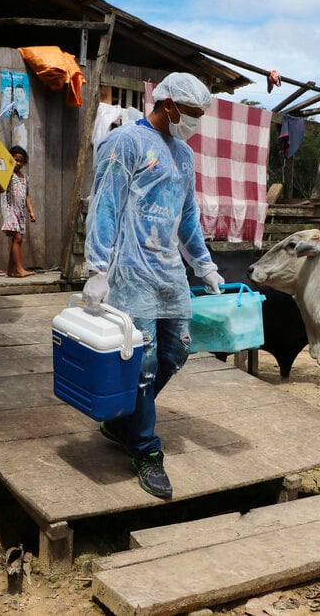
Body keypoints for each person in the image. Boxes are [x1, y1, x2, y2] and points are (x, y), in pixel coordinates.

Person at [82, 72, 224, 499]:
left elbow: (187, 217)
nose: (196, 122)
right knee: (142, 362)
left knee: (177, 351)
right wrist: (96, 268)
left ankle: (123, 419)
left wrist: (205, 265)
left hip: (168, 273)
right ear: (168, 105)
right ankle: (145, 449)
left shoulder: (183, 155)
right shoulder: (125, 142)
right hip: (129, 270)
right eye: (193, 114)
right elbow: (104, 203)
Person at [1, 145, 37, 277]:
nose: (18, 163)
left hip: (20, 211)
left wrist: (31, 211)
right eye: (15, 160)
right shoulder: (7, 174)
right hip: (10, 209)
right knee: (17, 238)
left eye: (21, 161)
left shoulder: (24, 177)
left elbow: (27, 196)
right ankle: (19, 269)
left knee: (17, 239)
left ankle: (10, 270)